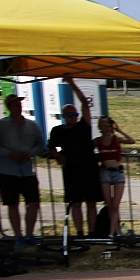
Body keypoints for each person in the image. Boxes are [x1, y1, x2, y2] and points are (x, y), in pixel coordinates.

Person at [0, 93, 45, 248]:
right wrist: (8, 153)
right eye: (14, 104)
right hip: (7, 170)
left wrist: (31, 152)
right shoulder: (0, 125)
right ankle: (18, 236)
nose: (18, 107)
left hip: (27, 170)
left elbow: (40, 144)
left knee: (33, 202)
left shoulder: (32, 125)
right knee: (12, 203)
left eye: (19, 104)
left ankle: (29, 234)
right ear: (9, 107)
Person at [47, 76, 100, 237]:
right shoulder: (58, 131)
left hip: (89, 167)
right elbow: (50, 146)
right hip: (71, 169)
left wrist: (72, 84)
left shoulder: (83, 126)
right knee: (76, 203)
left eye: (75, 114)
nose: (73, 116)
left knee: (92, 202)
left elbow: (84, 103)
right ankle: (79, 232)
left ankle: (92, 232)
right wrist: (57, 156)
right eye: (70, 114)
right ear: (64, 116)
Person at [93, 115, 136, 237]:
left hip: (117, 172)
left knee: (115, 204)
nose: (106, 128)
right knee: (109, 204)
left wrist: (119, 130)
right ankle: (115, 231)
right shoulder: (97, 141)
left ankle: (113, 233)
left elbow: (131, 141)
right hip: (105, 172)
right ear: (100, 127)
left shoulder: (116, 139)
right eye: (103, 126)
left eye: (108, 125)